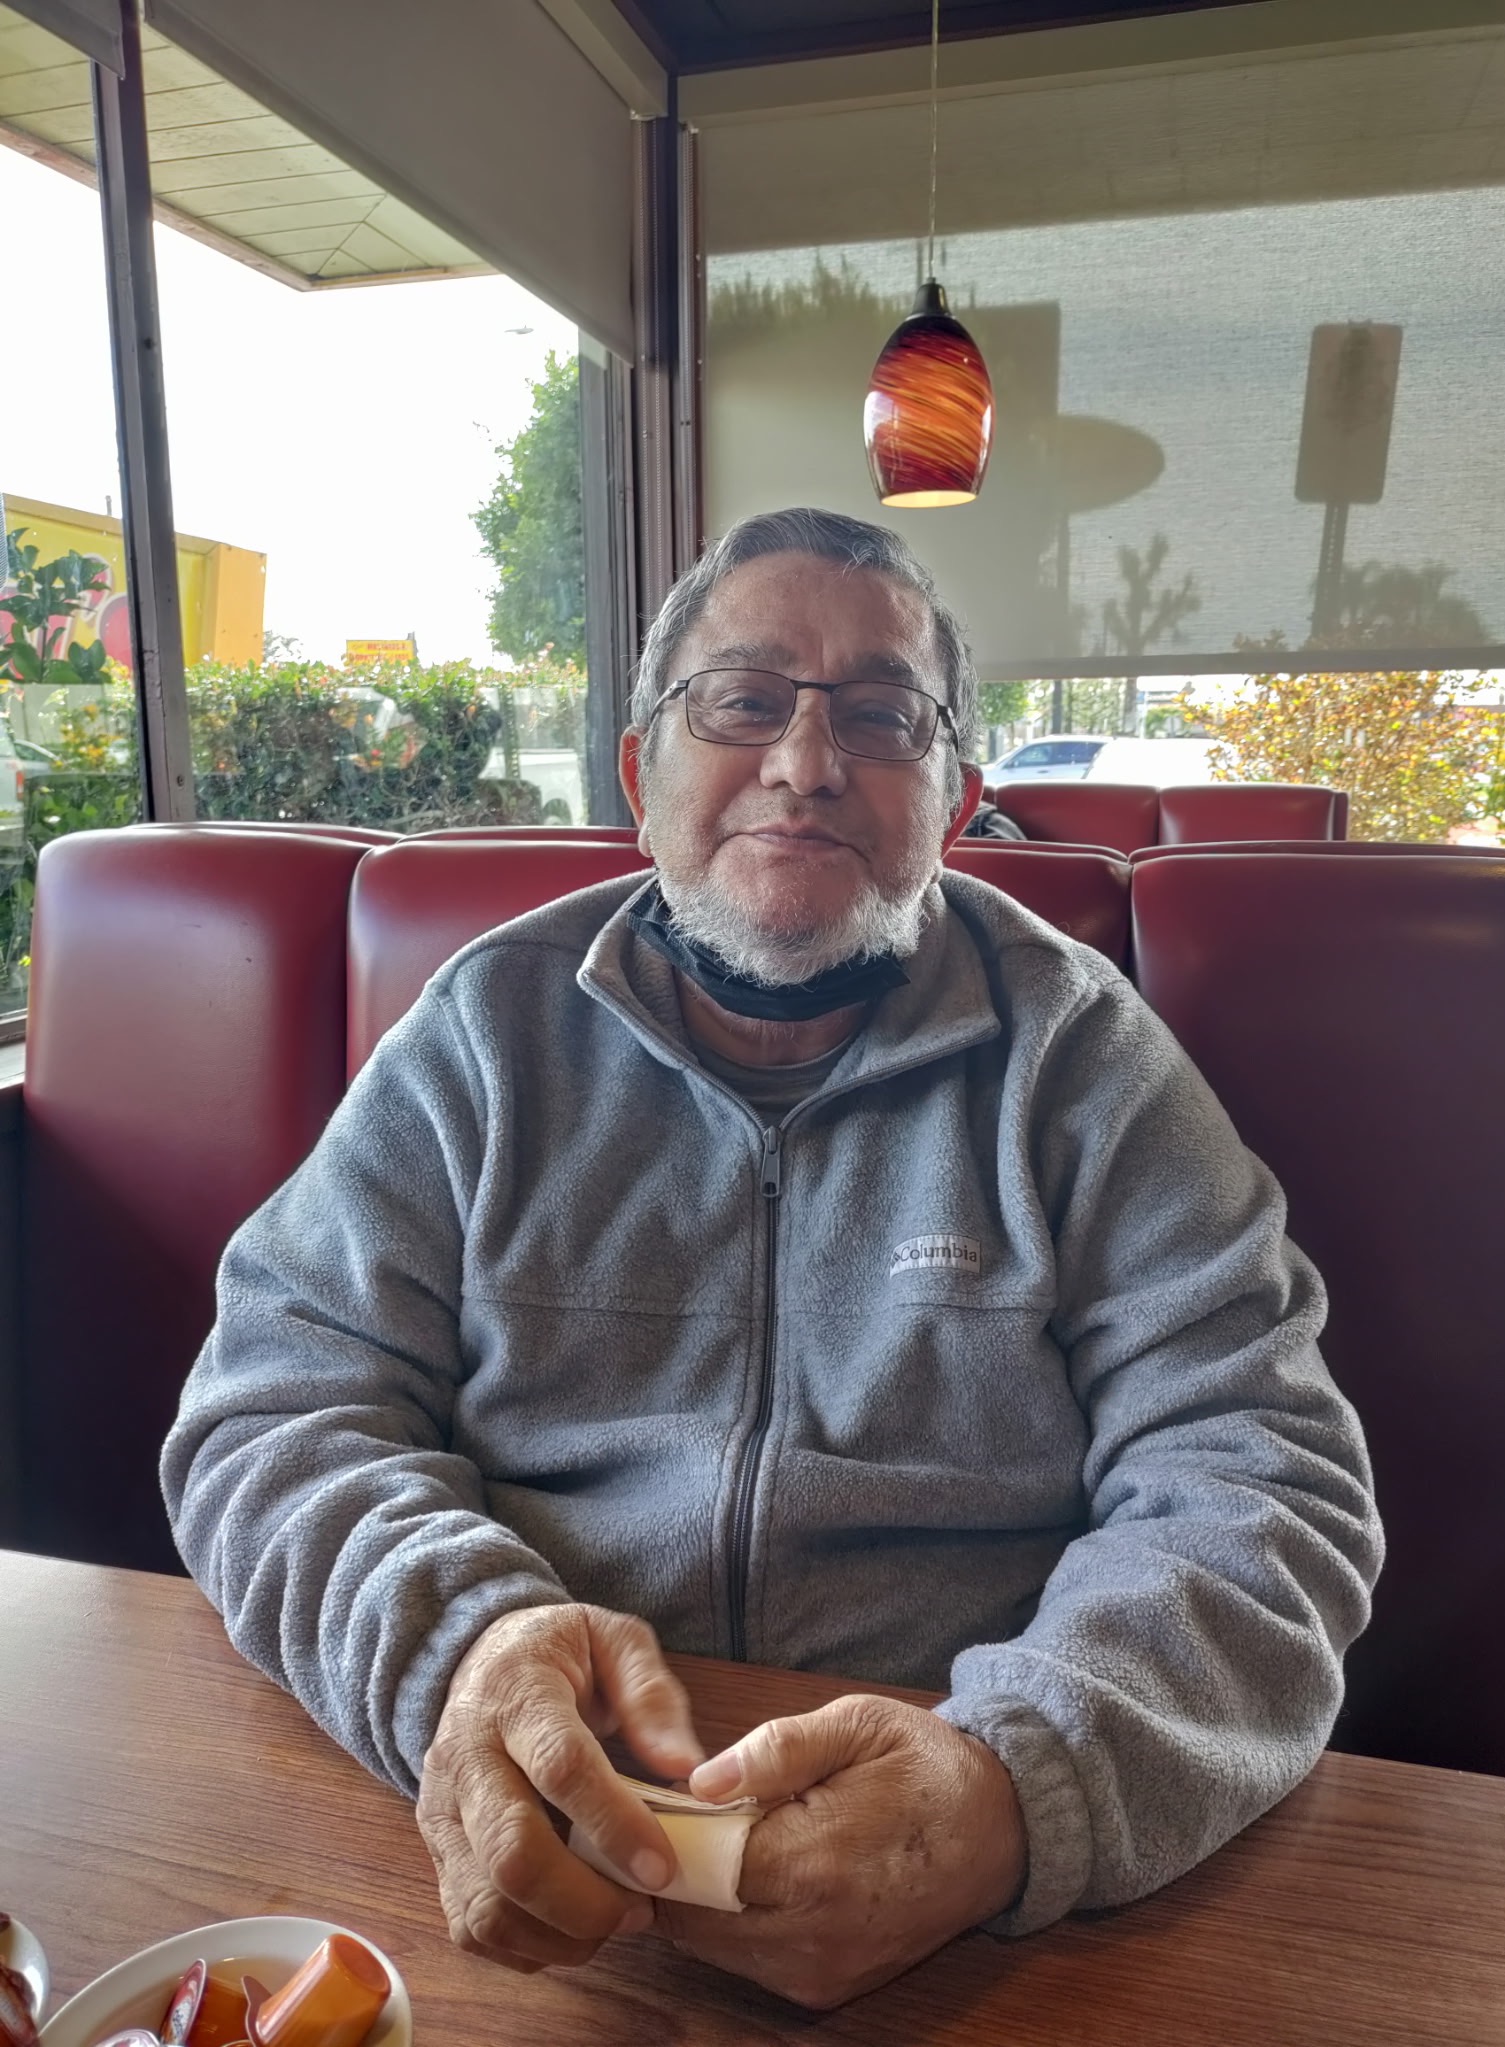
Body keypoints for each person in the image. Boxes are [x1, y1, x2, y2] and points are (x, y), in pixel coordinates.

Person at [162, 507, 1382, 2010]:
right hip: (503, 1838)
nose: (805, 765)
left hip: (973, 1884)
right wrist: (461, 1649)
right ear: (640, 775)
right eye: (742, 702)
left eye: (880, 717)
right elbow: (272, 1411)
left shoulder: (1080, 1062)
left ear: (955, 799)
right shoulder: (484, 1036)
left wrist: (1014, 1786)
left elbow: (1263, 1478)